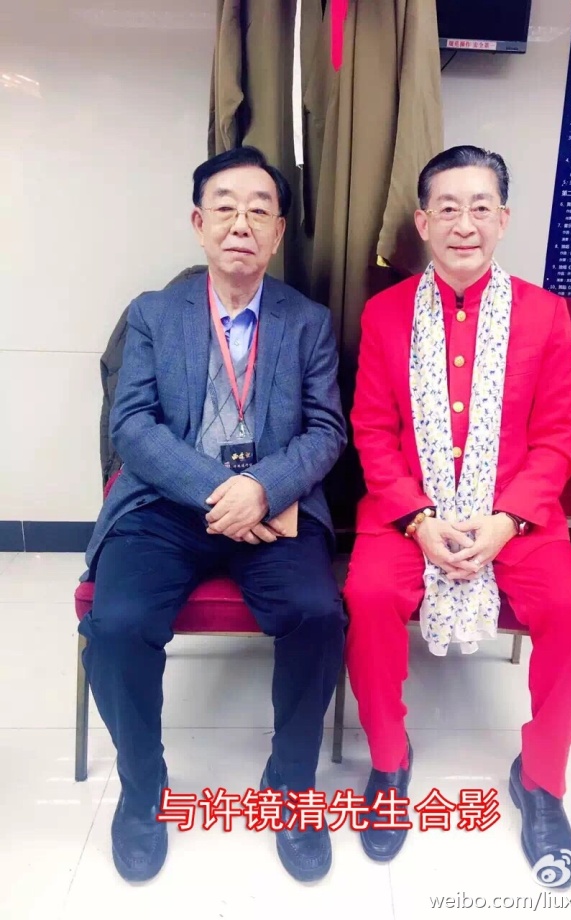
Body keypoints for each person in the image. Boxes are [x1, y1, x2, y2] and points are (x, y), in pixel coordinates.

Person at [78, 146, 347, 884]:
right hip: (166, 506)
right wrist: (221, 491)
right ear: (198, 224)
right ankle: (143, 786)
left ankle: (291, 784)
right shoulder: (153, 314)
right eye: (224, 208)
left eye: (260, 210)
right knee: (117, 623)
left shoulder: (308, 322)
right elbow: (132, 426)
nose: (241, 224)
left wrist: (262, 488)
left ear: (279, 232)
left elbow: (327, 430)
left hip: (273, 510)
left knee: (319, 614)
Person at [343, 145, 571, 889]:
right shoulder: (385, 313)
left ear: (504, 219)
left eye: (481, 207)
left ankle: (542, 778)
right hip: (406, 512)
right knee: (366, 597)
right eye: (449, 208)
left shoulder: (545, 314)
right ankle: (389, 763)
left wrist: (506, 520)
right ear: (423, 222)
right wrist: (418, 519)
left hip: (515, 517)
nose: (465, 224)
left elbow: (558, 436)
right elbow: (372, 431)